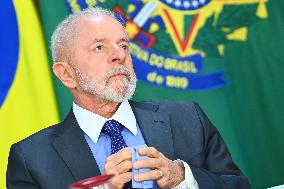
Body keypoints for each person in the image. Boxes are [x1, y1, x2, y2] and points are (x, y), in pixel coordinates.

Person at [6, 7, 251, 189]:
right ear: (66, 74)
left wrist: (182, 177)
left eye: (124, 46)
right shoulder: (31, 159)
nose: (118, 56)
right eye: (99, 47)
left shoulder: (187, 118)